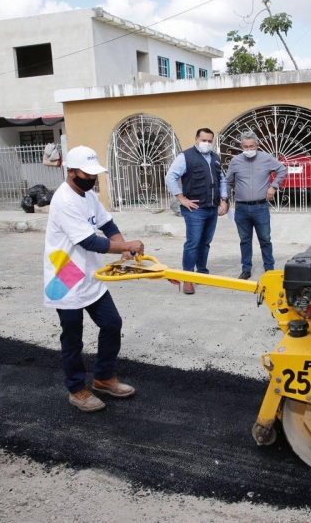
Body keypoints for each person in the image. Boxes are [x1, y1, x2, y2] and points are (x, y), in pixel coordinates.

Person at [43, 145, 145, 412]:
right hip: (65, 275)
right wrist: (126, 247)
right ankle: (77, 390)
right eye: (87, 174)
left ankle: (103, 377)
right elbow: (89, 241)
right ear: (72, 171)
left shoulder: (87, 195)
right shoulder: (64, 199)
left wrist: (122, 247)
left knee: (112, 323)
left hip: (89, 273)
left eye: (94, 174)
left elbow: (108, 225)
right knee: (73, 337)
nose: (92, 178)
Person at [165, 128, 229, 295]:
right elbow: (170, 177)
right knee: (193, 243)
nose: (207, 144)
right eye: (204, 140)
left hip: (212, 208)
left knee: (205, 243)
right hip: (195, 209)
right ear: (196, 139)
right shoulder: (185, 157)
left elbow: (222, 180)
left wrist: (224, 200)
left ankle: (202, 272)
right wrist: (181, 198)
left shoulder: (215, 158)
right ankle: (188, 277)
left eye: (209, 141)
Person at [226, 131, 287, 280]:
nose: (248, 150)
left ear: (257, 145)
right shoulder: (235, 161)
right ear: (242, 146)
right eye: (245, 147)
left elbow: (282, 170)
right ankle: (246, 269)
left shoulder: (266, 158)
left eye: (251, 146)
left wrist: (273, 186)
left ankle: (269, 269)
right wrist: (225, 200)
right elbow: (228, 182)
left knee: (265, 239)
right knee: (245, 240)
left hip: (260, 207)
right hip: (241, 208)